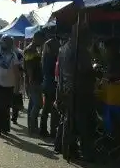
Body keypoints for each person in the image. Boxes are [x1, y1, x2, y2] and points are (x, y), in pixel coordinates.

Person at [56, 28, 97, 161]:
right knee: (84, 123)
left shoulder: (63, 49)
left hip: (66, 89)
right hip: (80, 90)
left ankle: (65, 148)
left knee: (67, 121)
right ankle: (86, 152)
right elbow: (86, 70)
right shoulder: (80, 50)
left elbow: (61, 72)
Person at [0, 36, 20, 137]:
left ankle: (5, 128)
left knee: (6, 107)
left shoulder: (13, 55)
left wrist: (17, 87)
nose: (3, 44)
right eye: (3, 42)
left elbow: (16, 73)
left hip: (9, 85)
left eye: (6, 42)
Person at [40, 37, 59, 138]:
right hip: (52, 85)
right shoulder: (52, 58)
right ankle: (52, 131)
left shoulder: (45, 56)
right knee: (53, 110)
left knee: (46, 109)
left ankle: (43, 129)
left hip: (46, 84)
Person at [24, 38, 43, 134]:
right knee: (38, 104)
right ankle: (32, 125)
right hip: (33, 81)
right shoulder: (30, 49)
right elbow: (29, 67)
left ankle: (32, 127)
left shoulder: (34, 49)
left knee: (32, 104)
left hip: (34, 80)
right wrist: (30, 80)